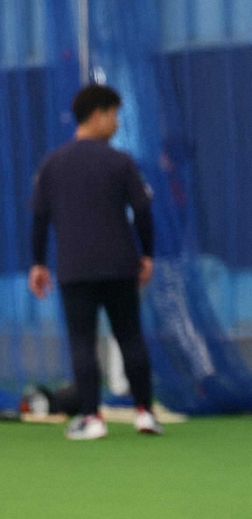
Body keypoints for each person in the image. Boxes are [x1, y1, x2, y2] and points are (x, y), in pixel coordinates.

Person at [28, 83, 162, 440]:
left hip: (75, 269)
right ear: (99, 114)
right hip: (120, 264)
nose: (117, 124)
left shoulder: (53, 163)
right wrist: (146, 254)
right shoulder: (121, 161)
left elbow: (39, 218)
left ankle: (91, 417)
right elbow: (144, 211)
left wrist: (38, 263)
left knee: (82, 342)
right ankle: (145, 413)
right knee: (130, 336)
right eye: (115, 115)